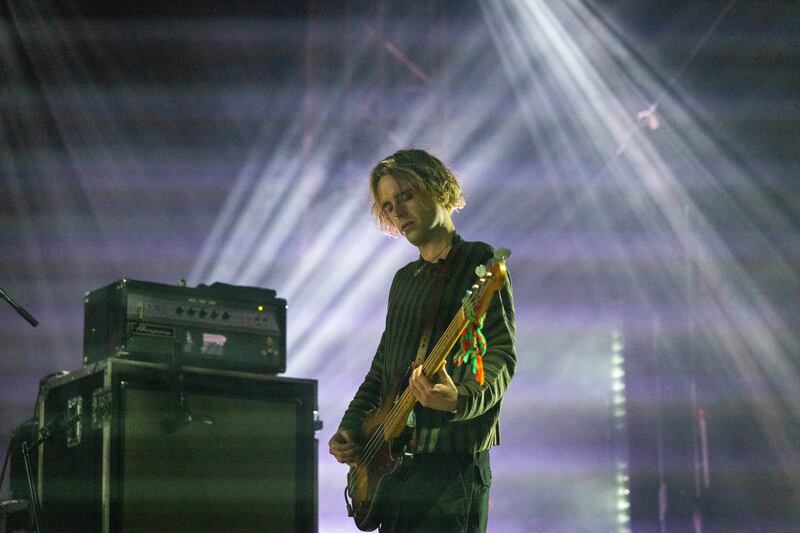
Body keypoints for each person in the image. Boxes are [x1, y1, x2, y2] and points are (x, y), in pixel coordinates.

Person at [328, 148, 516, 532]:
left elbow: (499, 354)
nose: (397, 212)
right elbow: (382, 370)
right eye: (388, 205)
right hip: (394, 469)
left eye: (406, 196)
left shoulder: (478, 262)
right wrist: (351, 430)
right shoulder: (403, 281)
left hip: (451, 467)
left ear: (437, 188)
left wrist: (460, 399)